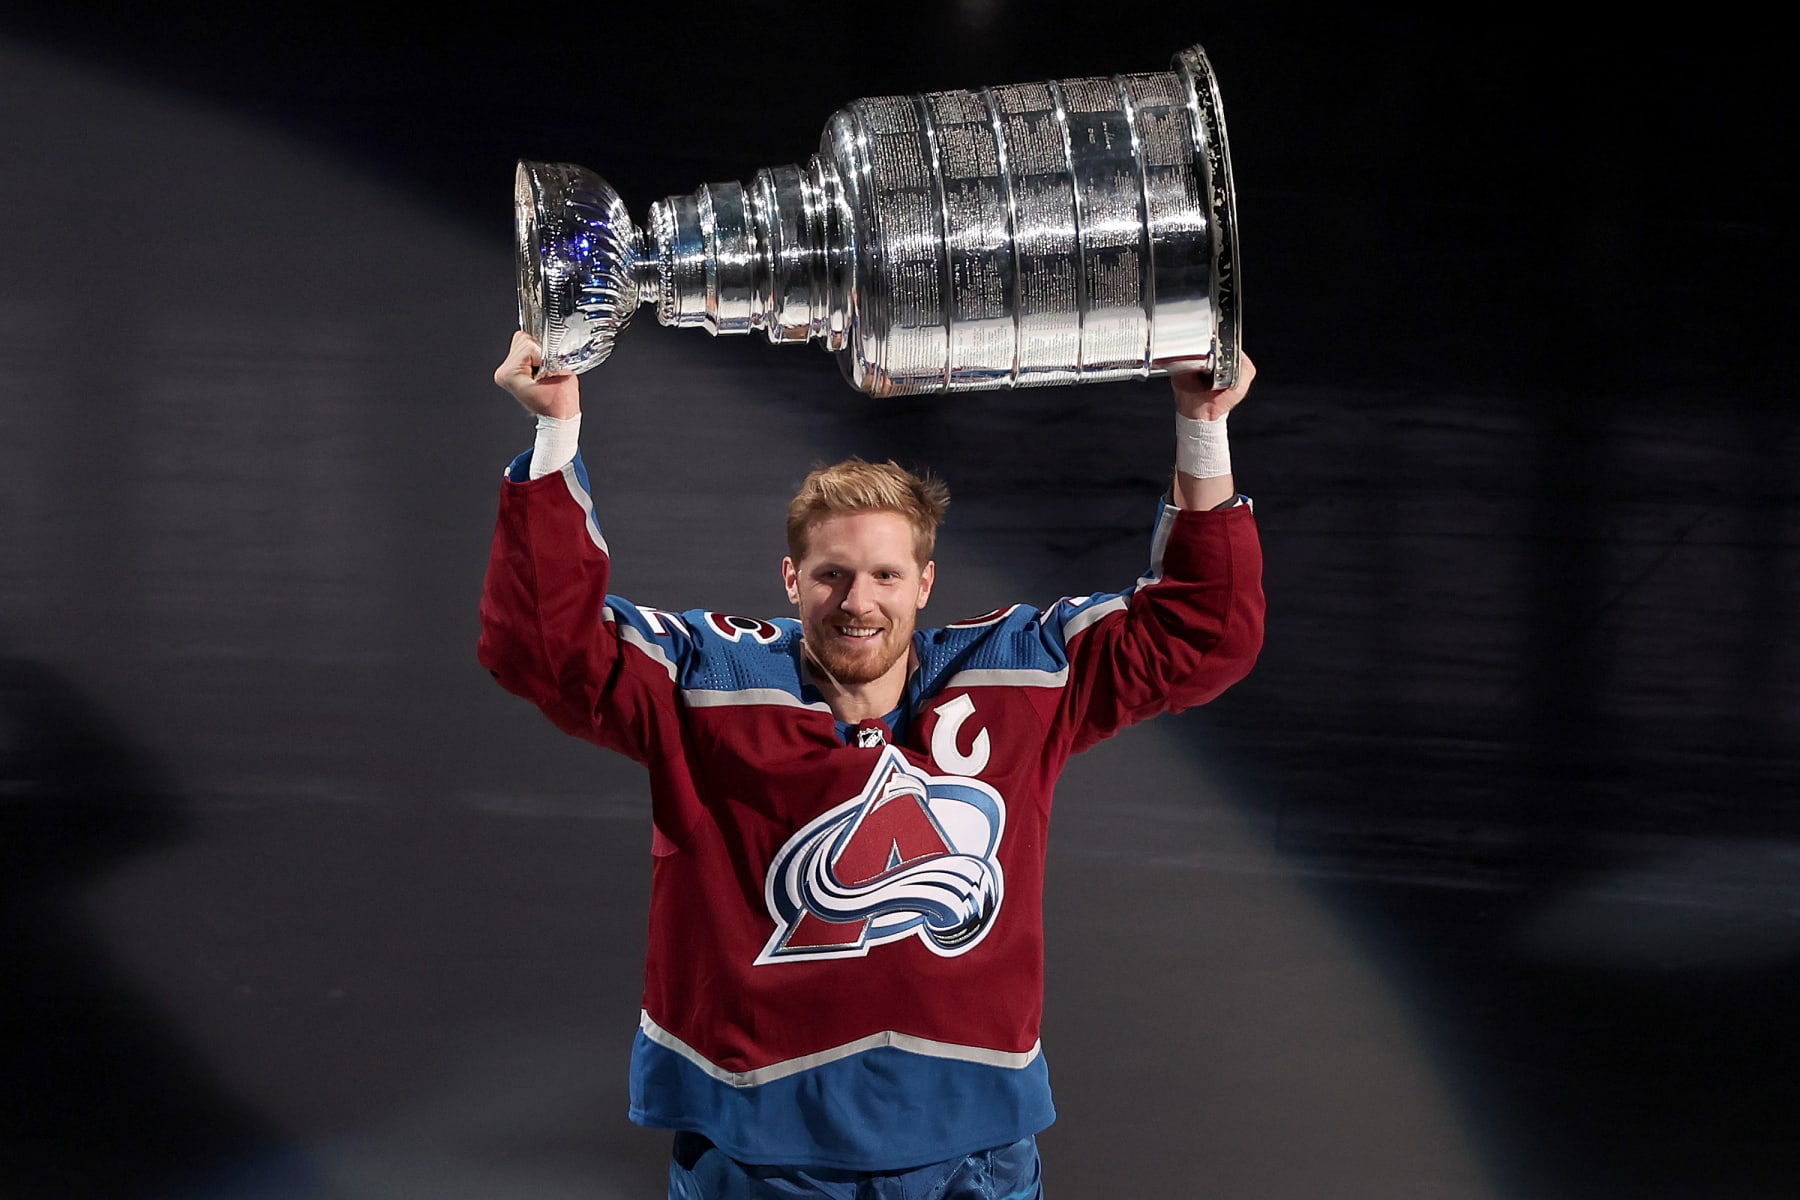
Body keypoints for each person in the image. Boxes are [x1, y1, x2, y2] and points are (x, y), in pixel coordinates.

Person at [480, 331, 1265, 1199]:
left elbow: (1203, 635)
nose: (859, 603)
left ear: (925, 584)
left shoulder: (1019, 673)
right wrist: (557, 429)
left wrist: (1203, 422)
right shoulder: (707, 678)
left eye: (886, 576)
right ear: (791, 578)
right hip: (767, 1155)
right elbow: (543, 649)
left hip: (973, 1151)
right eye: (832, 575)